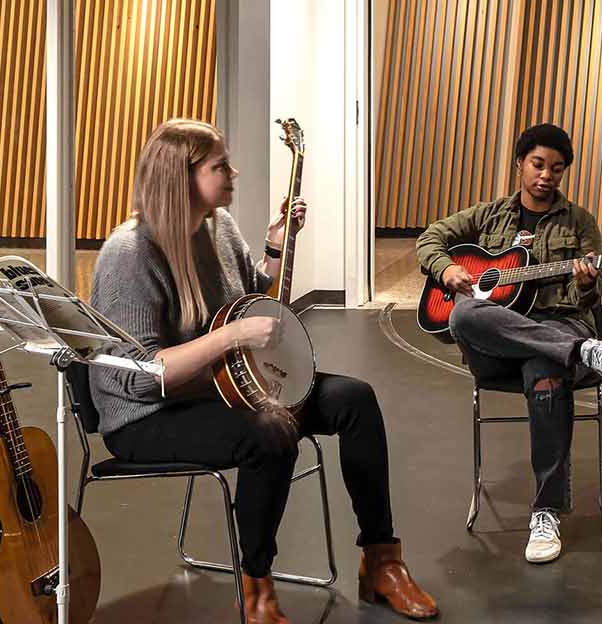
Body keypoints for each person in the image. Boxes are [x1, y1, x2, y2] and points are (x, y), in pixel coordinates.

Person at [88, 119, 439, 624]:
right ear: (180, 177)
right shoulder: (130, 253)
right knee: (269, 432)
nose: (234, 171)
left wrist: (277, 246)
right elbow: (140, 373)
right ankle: (257, 592)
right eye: (219, 165)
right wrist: (232, 338)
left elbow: (255, 299)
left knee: (355, 400)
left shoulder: (218, 227)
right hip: (147, 415)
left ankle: (381, 561)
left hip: (223, 387)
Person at [416, 122, 602, 566]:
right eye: (538, 164)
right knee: (462, 312)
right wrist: (445, 270)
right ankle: (582, 353)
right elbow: (430, 238)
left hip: (559, 325)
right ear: (520, 165)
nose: (546, 175)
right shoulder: (490, 214)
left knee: (546, 372)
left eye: (557, 168)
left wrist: (590, 283)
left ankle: (546, 511)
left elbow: (588, 301)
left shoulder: (580, 223)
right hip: (497, 341)